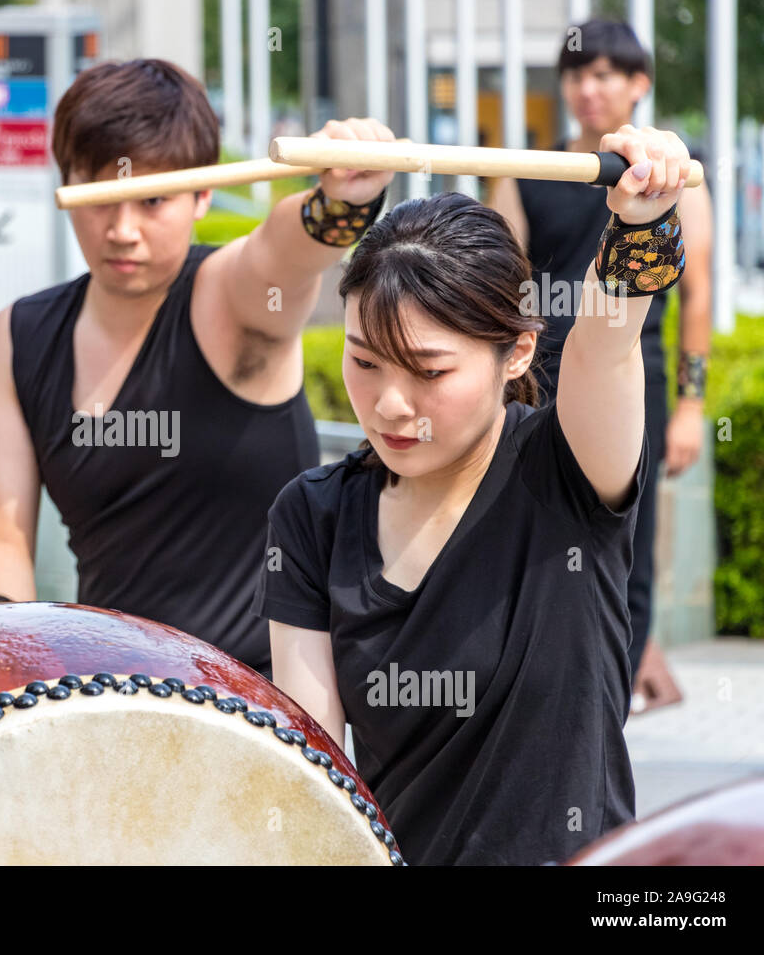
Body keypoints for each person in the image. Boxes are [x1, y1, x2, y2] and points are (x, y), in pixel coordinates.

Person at [256, 125, 690, 865]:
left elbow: (605, 339)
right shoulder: (313, 514)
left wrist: (645, 217)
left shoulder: (567, 469)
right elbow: (315, 776)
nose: (390, 404)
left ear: (517, 349)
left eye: (428, 372)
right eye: (364, 362)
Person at [0, 58, 393, 679]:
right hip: (103, 695)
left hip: (265, 704)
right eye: (101, 199)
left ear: (203, 193)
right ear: (67, 185)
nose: (122, 231)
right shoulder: (18, 337)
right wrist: (4, 669)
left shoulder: (231, 294)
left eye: (153, 201)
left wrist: (341, 201)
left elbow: (286, 250)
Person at [490, 19, 712, 711]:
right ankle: (536, 699)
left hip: (631, 385)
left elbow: (698, 294)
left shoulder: (678, 178)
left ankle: (606, 712)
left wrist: (690, 405)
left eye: (606, 74)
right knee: (527, 541)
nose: (589, 89)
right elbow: (503, 283)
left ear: (638, 85)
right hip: (536, 383)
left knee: (627, 552)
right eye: (578, 75)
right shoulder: (529, 172)